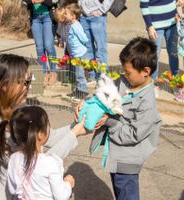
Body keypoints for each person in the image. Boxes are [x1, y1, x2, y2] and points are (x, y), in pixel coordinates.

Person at [0, 54, 87, 200]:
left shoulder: (23, 109)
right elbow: (33, 163)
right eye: (24, 82)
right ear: (5, 85)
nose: (29, 86)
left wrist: (82, 122)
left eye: (29, 80)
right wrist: (73, 134)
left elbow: (50, 136)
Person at [76, 37, 162, 200]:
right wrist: (87, 101)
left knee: (126, 192)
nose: (125, 75)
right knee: (120, 191)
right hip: (116, 155)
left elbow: (134, 134)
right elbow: (104, 93)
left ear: (145, 71)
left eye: (128, 72)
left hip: (128, 162)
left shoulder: (147, 103)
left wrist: (110, 122)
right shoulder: (124, 82)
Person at [6, 106, 80, 199]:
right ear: (40, 134)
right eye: (48, 125)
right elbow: (61, 196)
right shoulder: (51, 162)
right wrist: (68, 183)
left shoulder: (13, 159)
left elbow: (12, 189)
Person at [140, 0, 179, 81]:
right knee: (155, 54)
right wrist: (149, 26)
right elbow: (144, 6)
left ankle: (176, 80)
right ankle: (153, 82)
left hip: (172, 23)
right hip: (155, 26)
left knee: (173, 52)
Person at [79, 0, 114, 81]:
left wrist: (101, 11)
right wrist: (80, 8)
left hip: (97, 17)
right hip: (84, 16)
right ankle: (92, 76)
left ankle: (102, 76)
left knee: (100, 48)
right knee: (87, 48)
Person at [29, 0, 58, 86]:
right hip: (35, 17)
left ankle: (53, 72)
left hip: (48, 16)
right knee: (39, 48)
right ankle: (44, 73)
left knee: (49, 46)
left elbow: (54, 1)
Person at [64, 3, 89, 100]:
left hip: (79, 54)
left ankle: (83, 92)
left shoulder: (76, 26)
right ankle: (78, 90)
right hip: (75, 54)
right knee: (76, 73)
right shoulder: (72, 24)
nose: (65, 15)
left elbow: (84, 38)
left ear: (73, 16)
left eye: (66, 13)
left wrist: (83, 44)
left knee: (80, 74)